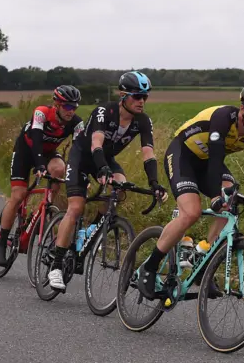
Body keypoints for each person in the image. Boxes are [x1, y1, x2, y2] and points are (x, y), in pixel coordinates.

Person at [136, 79, 244, 300]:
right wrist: (217, 197)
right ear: (243, 108)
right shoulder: (223, 118)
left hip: (208, 163)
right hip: (183, 155)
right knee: (191, 212)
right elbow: (216, 159)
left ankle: (204, 259)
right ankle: (148, 267)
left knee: (232, 200)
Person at [46, 72, 167, 290]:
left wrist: (154, 183)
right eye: (137, 96)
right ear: (123, 95)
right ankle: (55, 265)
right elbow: (96, 143)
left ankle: (93, 229)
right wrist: (101, 169)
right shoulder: (104, 111)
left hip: (106, 159)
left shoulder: (143, 121)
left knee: (121, 186)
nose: (142, 101)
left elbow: (148, 153)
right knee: (76, 207)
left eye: (145, 97)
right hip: (83, 157)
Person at [0, 85, 84, 267]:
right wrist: (40, 165)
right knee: (18, 195)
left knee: (59, 169)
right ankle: (1, 242)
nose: (71, 111)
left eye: (74, 107)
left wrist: (79, 174)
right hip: (26, 152)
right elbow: (35, 140)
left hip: (49, 153)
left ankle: (45, 207)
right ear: (56, 105)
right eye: (67, 106)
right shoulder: (41, 113)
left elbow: (78, 151)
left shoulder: (76, 122)